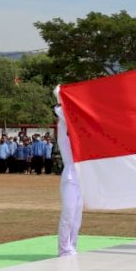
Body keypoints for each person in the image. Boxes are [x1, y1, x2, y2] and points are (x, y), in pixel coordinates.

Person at [55, 102, 83, 257]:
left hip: (80, 182)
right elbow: (62, 127)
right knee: (68, 215)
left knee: (76, 219)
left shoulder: (81, 147)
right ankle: (63, 249)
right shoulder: (65, 144)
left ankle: (72, 246)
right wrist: (62, 101)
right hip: (70, 180)